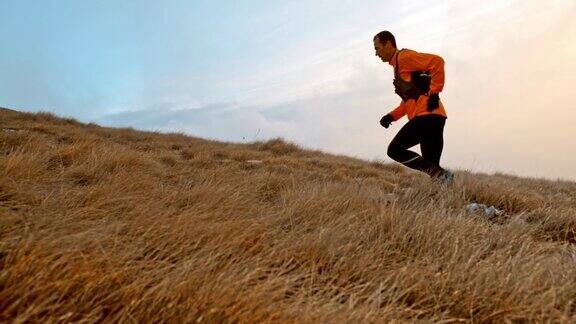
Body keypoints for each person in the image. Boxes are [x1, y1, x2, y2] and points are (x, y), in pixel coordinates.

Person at [374, 30, 454, 185]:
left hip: (427, 116)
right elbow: (409, 101)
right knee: (434, 171)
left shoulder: (404, 57)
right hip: (435, 117)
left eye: (377, 48)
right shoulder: (398, 68)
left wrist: (434, 93)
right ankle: (449, 199)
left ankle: (441, 175)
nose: (376, 53)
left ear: (388, 44)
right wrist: (391, 116)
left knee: (395, 150)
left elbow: (437, 61)